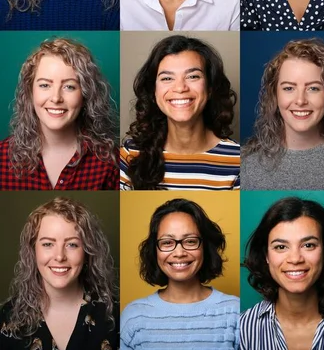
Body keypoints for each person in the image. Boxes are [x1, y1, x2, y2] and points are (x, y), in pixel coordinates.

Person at [120, 35, 240, 190]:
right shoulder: (130, 153)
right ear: (154, 91)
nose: (180, 87)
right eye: (167, 78)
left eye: (192, 76)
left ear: (210, 88)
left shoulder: (237, 160)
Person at [240, 197, 324, 349]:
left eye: (308, 245)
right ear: (266, 256)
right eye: (281, 247)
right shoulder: (243, 329)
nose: (295, 259)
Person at [0, 38, 119, 190]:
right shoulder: (2, 157)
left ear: (85, 94)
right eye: (44, 85)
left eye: (69, 86)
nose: (56, 98)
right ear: (30, 92)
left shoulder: (110, 163)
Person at [0, 197, 118, 350]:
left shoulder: (116, 315)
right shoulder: (5, 316)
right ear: (33, 251)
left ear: (87, 251)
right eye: (48, 244)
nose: (60, 256)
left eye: (72, 244)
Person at [121, 198, 240, 349]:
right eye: (167, 242)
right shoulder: (133, 316)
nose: (179, 252)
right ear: (155, 250)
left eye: (190, 241)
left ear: (205, 247)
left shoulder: (235, 312)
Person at [241, 38, 324, 190]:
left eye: (313, 88)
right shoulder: (246, 166)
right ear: (275, 95)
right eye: (289, 88)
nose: (300, 100)